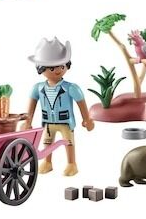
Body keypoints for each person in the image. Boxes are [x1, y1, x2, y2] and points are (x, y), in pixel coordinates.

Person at [23, 37, 95, 176]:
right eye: (51, 68)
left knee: (68, 142)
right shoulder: (38, 88)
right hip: (48, 123)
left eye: (62, 66)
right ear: (41, 69)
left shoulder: (71, 88)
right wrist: (28, 121)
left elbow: (81, 103)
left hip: (65, 122)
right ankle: (48, 162)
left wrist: (87, 119)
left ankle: (71, 163)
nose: (58, 70)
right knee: (47, 142)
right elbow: (31, 107)